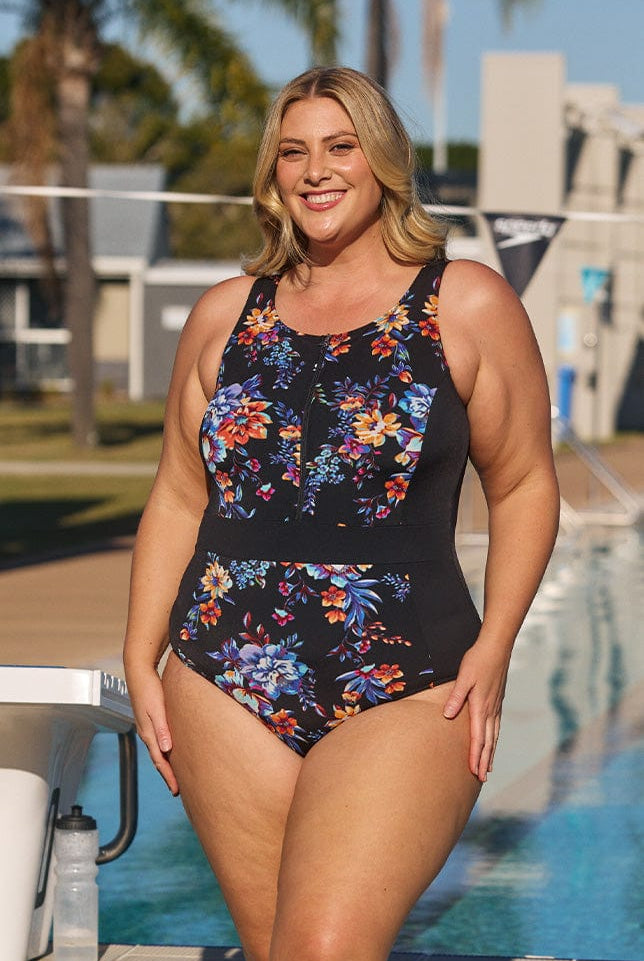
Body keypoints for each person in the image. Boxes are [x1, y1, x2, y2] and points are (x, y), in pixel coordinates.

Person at [123, 66, 560, 961]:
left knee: (325, 947)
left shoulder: (466, 303)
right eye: (293, 152)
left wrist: (496, 644)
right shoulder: (221, 318)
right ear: (272, 174)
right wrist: (140, 651)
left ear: (383, 161)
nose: (315, 170)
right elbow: (177, 490)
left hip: (410, 676)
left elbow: (524, 485)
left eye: (339, 146)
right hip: (221, 675)